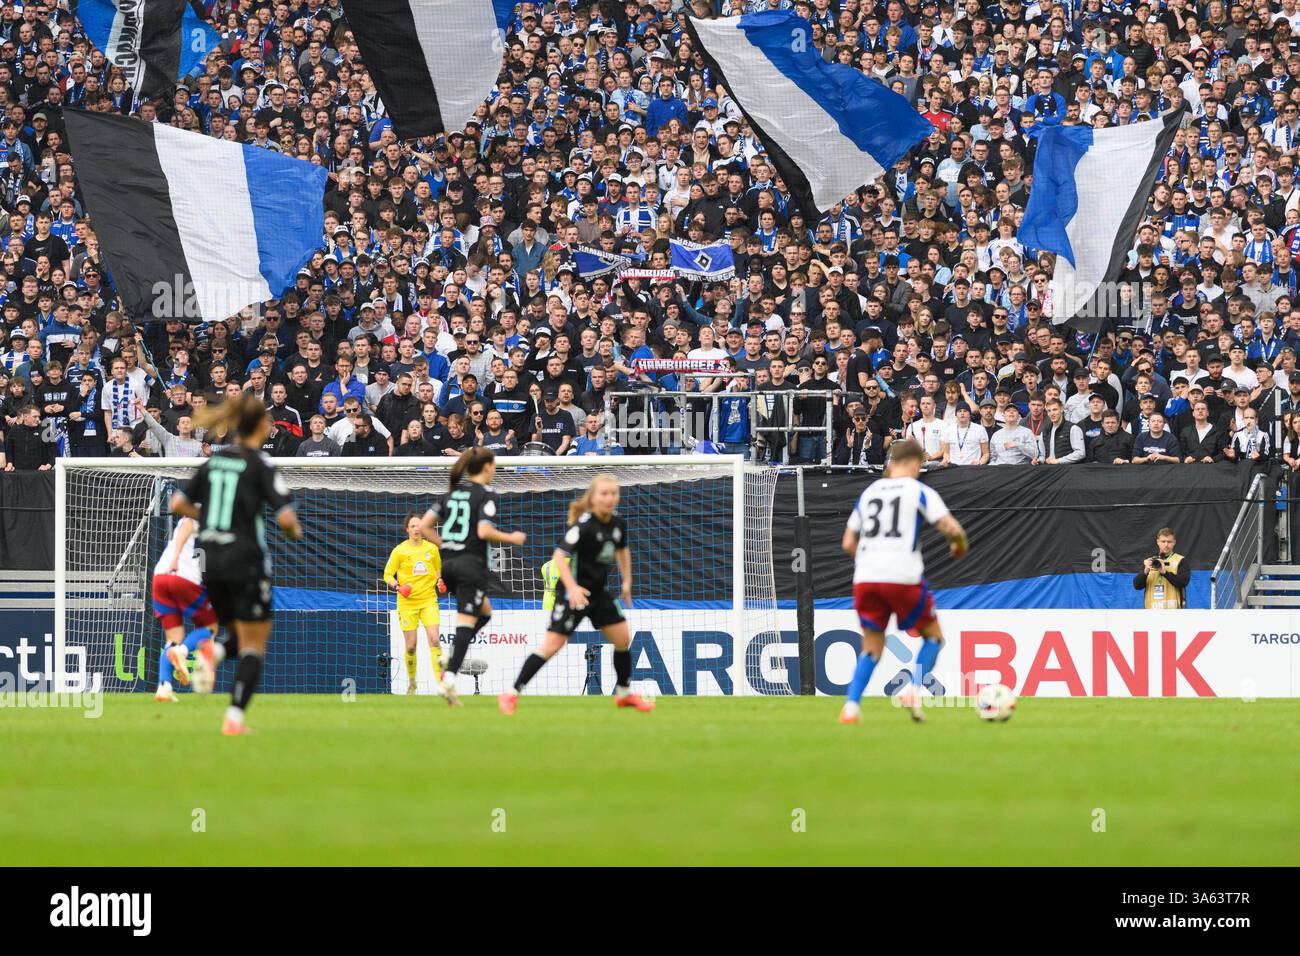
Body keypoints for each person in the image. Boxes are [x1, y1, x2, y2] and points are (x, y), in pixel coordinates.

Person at [171, 395, 304, 736]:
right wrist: (294, 530)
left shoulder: (214, 462)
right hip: (246, 558)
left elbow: (178, 503)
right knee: (253, 645)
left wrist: (212, 519)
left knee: (236, 634)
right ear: (262, 426)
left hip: (211, 561)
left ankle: (210, 651)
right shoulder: (260, 463)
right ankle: (234, 717)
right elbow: (287, 517)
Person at [840, 439, 969, 725]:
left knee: (872, 646)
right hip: (902, 576)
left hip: (865, 578)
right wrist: (958, 545)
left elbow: (848, 542)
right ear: (914, 463)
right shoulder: (918, 490)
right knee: (933, 637)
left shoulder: (870, 491)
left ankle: (851, 707)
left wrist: (869, 559)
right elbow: (950, 527)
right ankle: (913, 689)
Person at [499, 475, 653, 715]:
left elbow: (623, 551)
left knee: (623, 639)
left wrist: (627, 580)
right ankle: (511, 693)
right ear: (593, 497)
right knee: (551, 646)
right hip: (572, 594)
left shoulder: (618, 524)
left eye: (613, 493)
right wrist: (571, 588)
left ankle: (624, 694)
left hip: (599, 594)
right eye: (604, 493)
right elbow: (559, 556)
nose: (609, 498)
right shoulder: (584, 525)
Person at [420, 447, 526, 705]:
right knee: (465, 625)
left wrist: (446, 545)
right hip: (471, 566)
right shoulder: (486, 494)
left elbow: (424, 526)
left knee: (485, 613)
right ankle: (449, 678)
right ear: (488, 467)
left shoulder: (452, 493)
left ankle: (454, 656)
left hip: (449, 565)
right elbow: (483, 530)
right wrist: (511, 537)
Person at [150, 515, 218, 703]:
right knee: (211, 627)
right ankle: (182, 652)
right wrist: (176, 557)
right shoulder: (204, 507)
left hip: (160, 578)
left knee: (173, 638)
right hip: (182, 576)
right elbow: (188, 522)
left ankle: (164, 687)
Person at [383, 513, 447, 697]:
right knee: (411, 646)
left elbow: (437, 571)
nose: (416, 529)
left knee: (435, 639)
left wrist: (440, 581)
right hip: (407, 604)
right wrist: (398, 587)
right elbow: (387, 574)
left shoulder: (432, 549)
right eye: (413, 526)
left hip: (428, 601)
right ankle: (412, 684)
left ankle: (442, 685)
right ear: (407, 529)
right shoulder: (400, 551)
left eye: (419, 525)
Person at [1132, 528, 1189, 609]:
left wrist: (1165, 573)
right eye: (1163, 541)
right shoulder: (1150, 561)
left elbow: (1183, 582)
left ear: (1174, 543)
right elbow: (1137, 586)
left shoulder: (1180, 560)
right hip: (1151, 612)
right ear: (1158, 542)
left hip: (1173, 612)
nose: (1166, 544)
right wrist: (1145, 571)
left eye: (1169, 542)